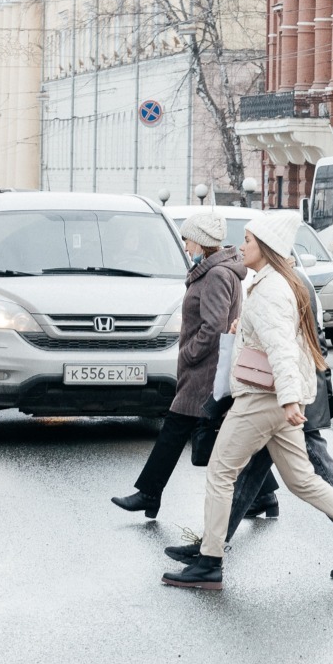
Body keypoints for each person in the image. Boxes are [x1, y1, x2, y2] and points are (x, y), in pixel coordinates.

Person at [162, 212, 333, 590]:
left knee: (221, 472)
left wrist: (290, 400)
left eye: (249, 241)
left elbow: (283, 350)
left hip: (262, 398)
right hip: (275, 399)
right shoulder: (271, 284)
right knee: (303, 480)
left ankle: (209, 562)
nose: (241, 247)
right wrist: (245, 332)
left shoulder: (271, 289)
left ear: (267, 250)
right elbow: (275, 339)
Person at [112, 210, 246, 518]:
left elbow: (213, 326)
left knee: (175, 428)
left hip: (204, 370)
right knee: (225, 435)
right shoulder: (218, 271)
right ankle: (264, 495)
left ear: (200, 242)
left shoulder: (215, 275)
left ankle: (149, 493)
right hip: (207, 368)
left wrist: (188, 354)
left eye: (187, 240)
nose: (186, 247)